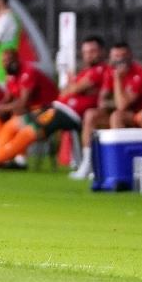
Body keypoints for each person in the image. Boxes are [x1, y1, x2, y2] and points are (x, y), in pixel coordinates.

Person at [57, 36, 108, 180]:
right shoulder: (85, 72)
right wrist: (72, 88)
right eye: (85, 52)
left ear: (102, 52)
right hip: (71, 111)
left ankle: (87, 164)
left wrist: (73, 89)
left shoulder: (101, 70)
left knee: (39, 124)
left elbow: (73, 89)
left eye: (93, 51)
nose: (89, 55)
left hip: (82, 114)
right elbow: (65, 92)